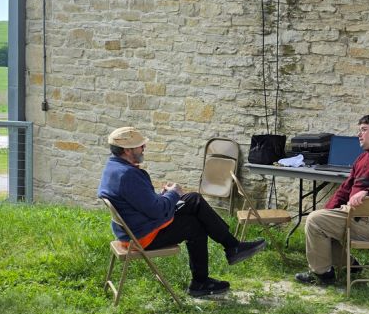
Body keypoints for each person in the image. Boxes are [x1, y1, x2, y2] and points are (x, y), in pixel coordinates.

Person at [98, 127, 266, 299]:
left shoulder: (113, 168)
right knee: (194, 220)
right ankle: (213, 268)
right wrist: (173, 193)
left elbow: (141, 203)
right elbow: (157, 211)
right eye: (140, 145)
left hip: (134, 229)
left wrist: (163, 196)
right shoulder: (128, 175)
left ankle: (228, 252)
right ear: (127, 150)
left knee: (194, 201)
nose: (143, 148)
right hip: (142, 236)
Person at [295, 114, 369, 286]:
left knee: (315, 221)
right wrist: (328, 210)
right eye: (359, 130)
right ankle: (351, 265)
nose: (359, 135)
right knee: (321, 219)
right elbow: (345, 189)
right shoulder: (363, 158)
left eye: (364, 130)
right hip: (356, 216)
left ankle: (322, 274)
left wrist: (368, 193)